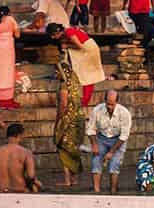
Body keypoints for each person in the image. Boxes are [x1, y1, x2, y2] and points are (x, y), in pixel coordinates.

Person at [86, 90, 131, 194]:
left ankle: (113, 190)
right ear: (104, 101)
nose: (109, 106)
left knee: (114, 165)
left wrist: (111, 152)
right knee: (96, 161)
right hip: (101, 138)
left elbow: (124, 135)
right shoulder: (97, 110)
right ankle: (96, 190)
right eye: (107, 103)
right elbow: (90, 129)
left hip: (118, 139)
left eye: (112, 104)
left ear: (117, 102)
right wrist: (94, 145)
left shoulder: (124, 113)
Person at [52, 58, 85, 187]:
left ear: (62, 72)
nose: (56, 74)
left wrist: (58, 121)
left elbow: (63, 105)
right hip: (79, 121)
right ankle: (74, 179)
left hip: (67, 121)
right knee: (73, 149)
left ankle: (67, 180)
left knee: (63, 149)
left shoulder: (64, 86)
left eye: (57, 71)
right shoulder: (77, 84)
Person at [0, 123, 38, 192]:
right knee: (35, 188)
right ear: (19, 135)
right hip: (18, 191)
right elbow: (30, 176)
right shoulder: (26, 153)